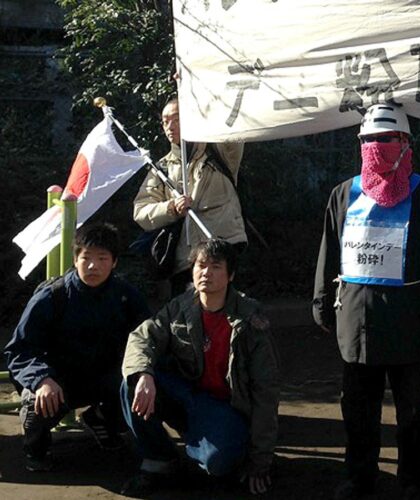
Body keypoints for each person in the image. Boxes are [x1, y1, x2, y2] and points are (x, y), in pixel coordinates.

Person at [312, 103, 420, 500]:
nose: (378, 147)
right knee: (357, 408)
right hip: (357, 319)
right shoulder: (344, 192)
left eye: (387, 139)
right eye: (370, 140)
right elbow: (330, 250)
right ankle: (360, 476)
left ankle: (412, 479)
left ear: (405, 143)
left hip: (410, 320)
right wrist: (322, 303)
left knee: (411, 409)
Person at [120, 239, 281, 496]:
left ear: (231, 275)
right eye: (200, 265)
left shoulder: (250, 320)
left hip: (226, 407)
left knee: (219, 464)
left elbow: (266, 392)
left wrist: (260, 460)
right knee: (132, 382)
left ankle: (213, 444)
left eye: (216, 267)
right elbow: (142, 337)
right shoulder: (180, 306)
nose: (206, 273)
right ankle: (158, 458)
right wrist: (144, 375)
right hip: (186, 394)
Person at [4, 223, 150, 472]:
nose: (93, 266)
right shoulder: (52, 296)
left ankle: (100, 420)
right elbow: (19, 349)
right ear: (75, 258)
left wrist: (145, 375)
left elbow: (148, 340)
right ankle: (36, 447)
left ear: (114, 262)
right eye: (86, 258)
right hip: (59, 381)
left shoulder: (126, 296)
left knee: (141, 390)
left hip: (106, 378)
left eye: (102, 258)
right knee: (36, 408)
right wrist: (41, 379)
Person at [133, 97, 247, 294]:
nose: (170, 126)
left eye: (176, 119)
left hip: (223, 252)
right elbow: (141, 211)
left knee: (225, 315)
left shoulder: (220, 152)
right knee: (186, 320)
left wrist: (195, 88)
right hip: (185, 261)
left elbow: (232, 124)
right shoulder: (162, 167)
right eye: (165, 121)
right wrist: (170, 208)